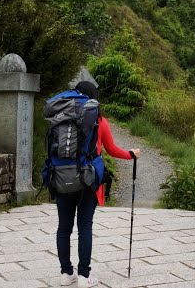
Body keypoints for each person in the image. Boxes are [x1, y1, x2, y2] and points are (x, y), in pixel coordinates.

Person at [57, 80, 141, 287]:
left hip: (62, 177)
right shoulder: (99, 121)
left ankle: (67, 273)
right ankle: (84, 276)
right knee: (84, 226)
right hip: (88, 180)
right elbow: (111, 150)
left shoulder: (60, 120)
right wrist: (131, 154)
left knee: (64, 228)